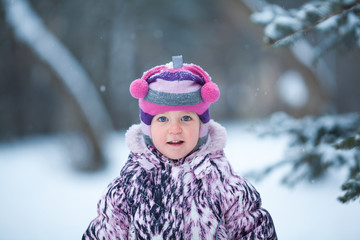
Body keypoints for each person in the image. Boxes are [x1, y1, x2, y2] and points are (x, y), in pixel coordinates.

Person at [82, 56, 277, 239]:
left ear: (201, 126)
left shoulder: (226, 186)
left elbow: (255, 231)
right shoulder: (127, 187)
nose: (175, 129)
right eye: (163, 119)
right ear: (148, 128)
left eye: (186, 118)